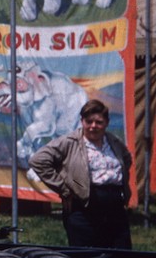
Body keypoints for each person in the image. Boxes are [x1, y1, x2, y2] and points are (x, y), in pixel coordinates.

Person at [30, 98, 134, 249]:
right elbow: (38, 161)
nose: (93, 126)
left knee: (121, 256)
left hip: (115, 207)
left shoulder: (114, 141)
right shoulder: (69, 142)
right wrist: (64, 188)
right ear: (82, 121)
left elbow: (126, 159)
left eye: (99, 122)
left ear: (106, 123)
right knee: (88, 257)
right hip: (84, 209)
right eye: (89, 121)